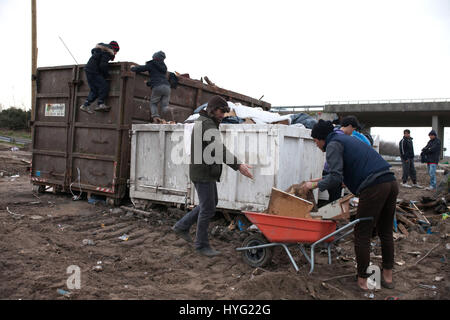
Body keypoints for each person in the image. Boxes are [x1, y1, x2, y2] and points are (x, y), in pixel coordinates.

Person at [303, 120, 398, 291]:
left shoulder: (333, 145)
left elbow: (335, 177)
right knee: (385, 231)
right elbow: (342, 173)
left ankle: (363, 280)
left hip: (374, 187)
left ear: (321, 138)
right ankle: (387, 277)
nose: (315, 144)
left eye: (315, 140)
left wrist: (313, 186)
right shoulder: (347, 139)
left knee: (362, 233)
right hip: (390, 182)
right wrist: (317, 181)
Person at [172, 95, 254, 257]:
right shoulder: (206, 124)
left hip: (204, 171)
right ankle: (201, 245)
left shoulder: (207, 122)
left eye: (225, 112)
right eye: (221, 111)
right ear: (212, 109)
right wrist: (238, 165)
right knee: (208, 207)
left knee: (209, 203)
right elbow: (218, 148)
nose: (223, 115)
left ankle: (182, 226)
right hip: (203, 172)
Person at [131, 51, 171, 123]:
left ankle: (156, 118)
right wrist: (149, 83)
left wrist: (133, 68)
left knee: (153, 103)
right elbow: (158, 77)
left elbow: (141, 68)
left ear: (154, 57)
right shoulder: (164, 67)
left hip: (158, 86)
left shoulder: (152, 64)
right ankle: (169, 119)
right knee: (165, 106)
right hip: (167, 87)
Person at [80, 41, 120, 114]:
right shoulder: (107, 52)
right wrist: (106, 76)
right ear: (113, 49)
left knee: (94, 90)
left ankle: (85, 105)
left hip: (88, 70)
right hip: (94, 71)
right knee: (104, 86)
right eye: (116, 51)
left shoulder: (100, 51)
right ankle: (100, 104)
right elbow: (103, 65)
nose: (116, 53)